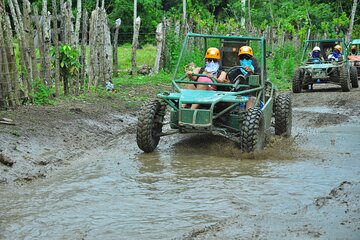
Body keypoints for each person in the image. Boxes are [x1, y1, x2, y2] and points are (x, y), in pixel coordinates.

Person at [233, 46, 260, 110]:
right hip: (236, 97)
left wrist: (251, 73)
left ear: (251, 59)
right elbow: (230, 85)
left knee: (251, 100)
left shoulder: (258, 70)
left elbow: (261, 83)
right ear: (239, 59)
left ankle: (248, 117)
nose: (244, 60)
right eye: (242, 58)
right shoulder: (235, 71)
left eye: (247, 58)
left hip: (253, 97)